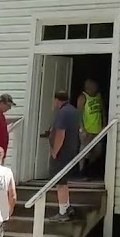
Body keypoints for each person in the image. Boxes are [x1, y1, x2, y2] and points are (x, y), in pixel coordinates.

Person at [48, 90, 80, 222]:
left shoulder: (62, 113)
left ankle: (62, 212)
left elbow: (61, 133)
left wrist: (55, 151)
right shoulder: (73, 111)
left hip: (63, 152)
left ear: (57, 100)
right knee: (64, 181)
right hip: (72, 150)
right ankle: (67, 206)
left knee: (60, 182)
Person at [76, 79, 105, 178]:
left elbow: (102, 111)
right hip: (87, 130)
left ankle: (90, 169)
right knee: (84, 152)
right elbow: (79, 114)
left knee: (97, 152)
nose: (95, 88)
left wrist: (104, 124)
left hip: (98, 130)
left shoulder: (98, 96)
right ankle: (82, 172)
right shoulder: (83, 97)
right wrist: (81, 128)